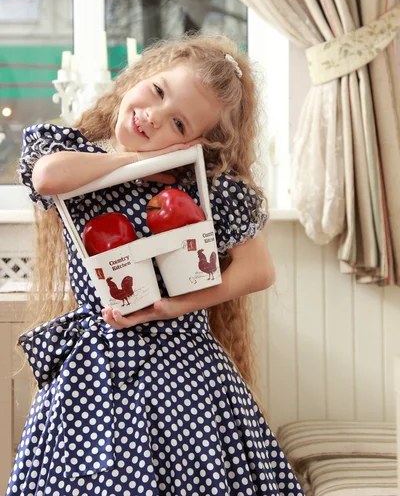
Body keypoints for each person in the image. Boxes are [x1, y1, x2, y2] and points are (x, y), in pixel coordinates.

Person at [7, 34, 304, 496]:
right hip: (96, 368)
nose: (154, 115)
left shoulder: (204, 188)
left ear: (198, 142)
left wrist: (177, 305)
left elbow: (258, 270)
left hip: (185, 367)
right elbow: (47, 177)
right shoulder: (75, 156)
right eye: (159, 92)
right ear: (143, 75)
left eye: (179, 123)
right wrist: (135, 160)